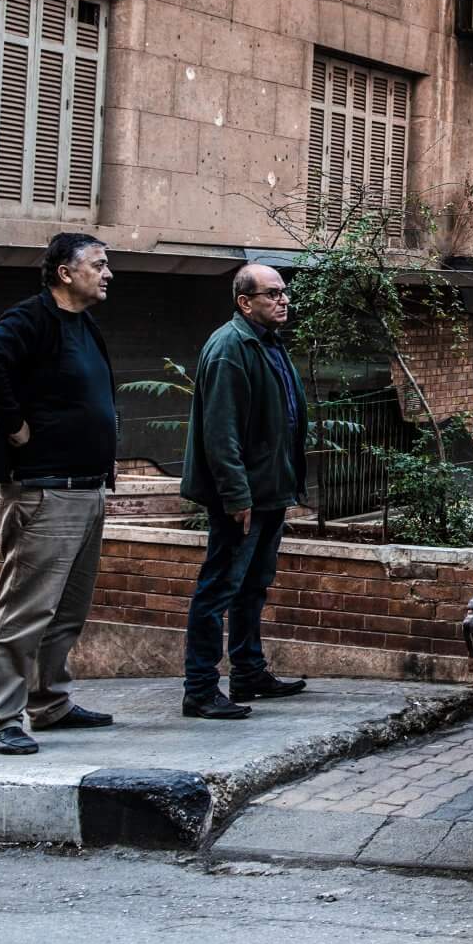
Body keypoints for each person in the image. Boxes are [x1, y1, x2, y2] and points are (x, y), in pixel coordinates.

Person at [0, 233, 121, 756]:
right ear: (64, 273)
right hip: (46, 493)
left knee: (68, 612)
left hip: (87, 489)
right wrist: (14, 424)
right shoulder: (33, 318)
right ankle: (2, 719)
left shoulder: (84, 324)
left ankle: (50, 702)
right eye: (97, 265)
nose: (107, 273)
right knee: (27, 610)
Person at [177, 263, 314, 719]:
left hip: (270, 491)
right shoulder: (230, 348)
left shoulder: (267, 344)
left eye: (284, 293)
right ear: (245, 302)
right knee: (218, 588)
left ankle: (249, 672)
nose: (283, 300)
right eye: (272, 294)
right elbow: (221, 433)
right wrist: (237, 497)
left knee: (253, 586)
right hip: (244, 498)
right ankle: (199, 688)